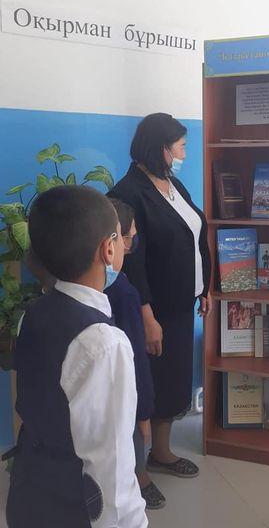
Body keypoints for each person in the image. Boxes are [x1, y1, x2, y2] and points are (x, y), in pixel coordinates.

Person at [6, 185, 147, 528]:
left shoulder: (33, 313)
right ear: (108, 249)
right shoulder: (104, 343)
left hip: (28, 492)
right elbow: (111, 467)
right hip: (73, 508)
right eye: (121, 236)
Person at [109, 112, 211, 481]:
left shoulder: (172, 183)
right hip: (152, 309)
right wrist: (147, 316)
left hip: (180, 305)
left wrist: (204, 287)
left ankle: (161, 454)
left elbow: (192, 232)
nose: (184, 153)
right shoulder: (127, 193)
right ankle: (138, 475)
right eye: (180, 147)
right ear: (161, 148)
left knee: (171, 383)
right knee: (145, 386)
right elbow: (132, 263)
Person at [105, 198, 164, 510]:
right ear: (112, 243)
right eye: (130, 237)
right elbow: (135, 361)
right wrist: (144, 414)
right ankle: (139, 480)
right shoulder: (124, 293)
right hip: (123, 399)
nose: (132, 244)